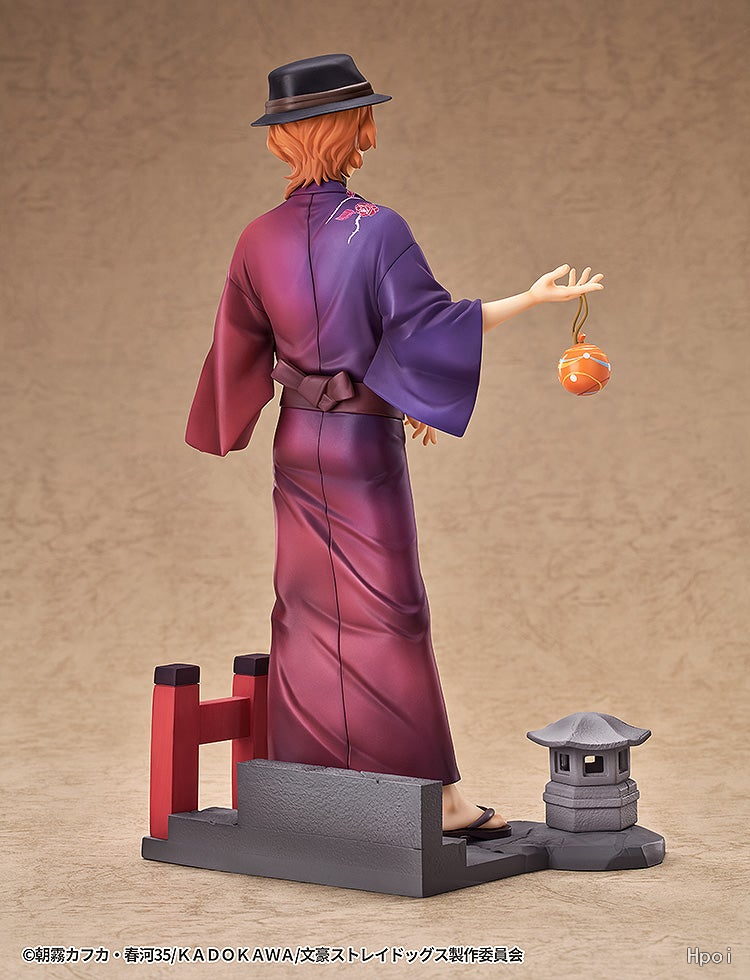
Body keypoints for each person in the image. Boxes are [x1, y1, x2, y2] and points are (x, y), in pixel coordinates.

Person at [185, 54, 604, 839]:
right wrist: (530, 300)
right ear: (347, 131)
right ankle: (437, 801)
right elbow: (426, 324)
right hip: (360, 444)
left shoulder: (256, 239)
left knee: (303, 608)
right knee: (391, 612)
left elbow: (237, 347)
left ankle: (314, 784)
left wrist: (225, 420)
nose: (370, 135)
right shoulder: (377, 228)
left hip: (297, 440)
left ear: (285, 138)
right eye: (363, 121)